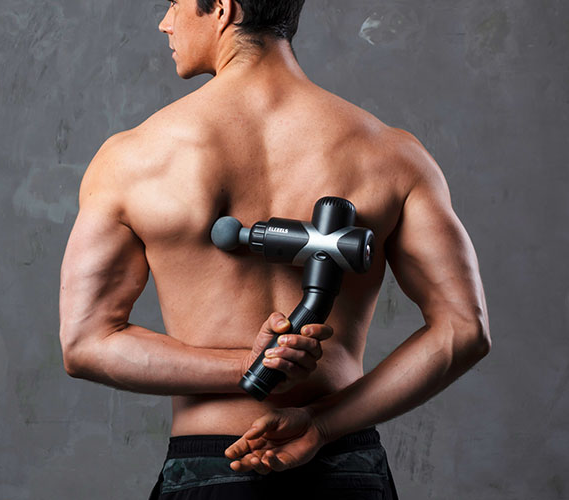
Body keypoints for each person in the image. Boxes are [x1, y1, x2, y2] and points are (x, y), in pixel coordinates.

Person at [57, 0, 491, 498]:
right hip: (346, 468)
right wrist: (320, 423)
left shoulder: (132, 159)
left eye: (174, 2)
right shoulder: (390, 153)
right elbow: (464, 330)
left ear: (222, 8)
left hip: (212, 469)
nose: (165, 21)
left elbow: (86, 343)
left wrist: (247, 368)